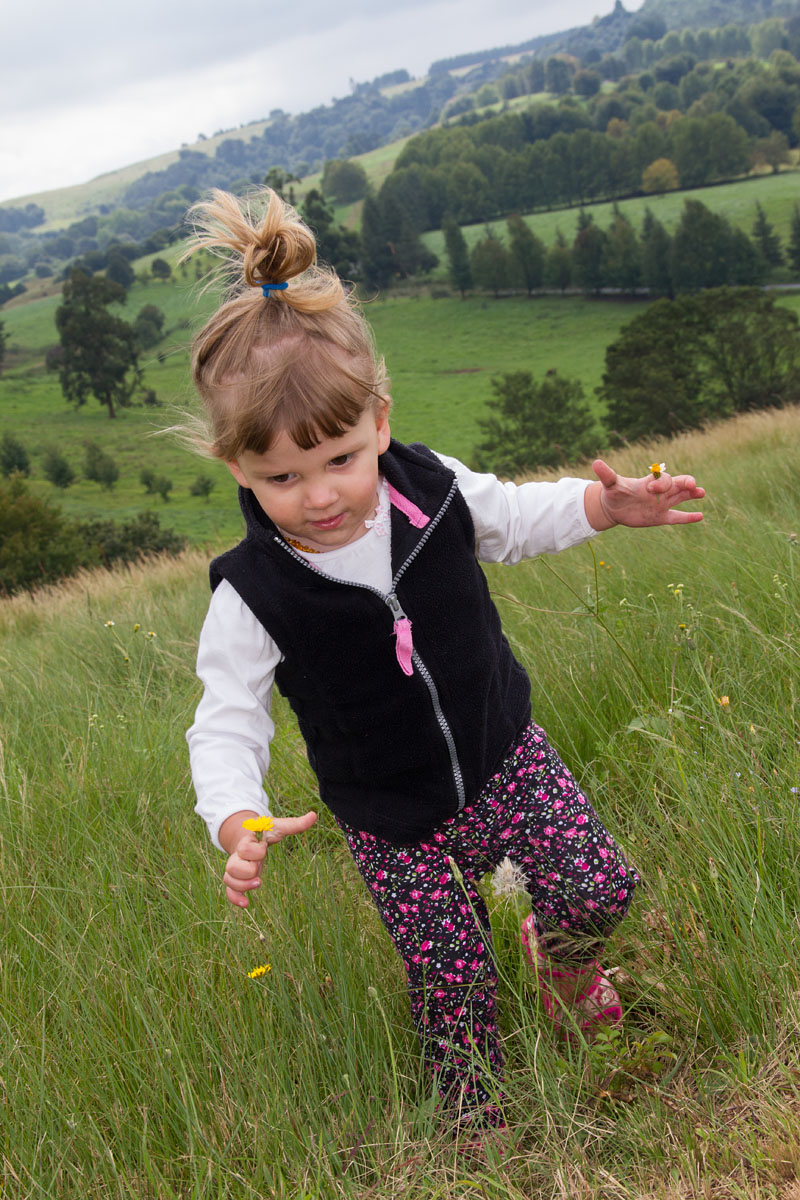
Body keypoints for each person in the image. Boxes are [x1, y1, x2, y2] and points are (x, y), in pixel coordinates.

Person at [184, 187, 705, 1134]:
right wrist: (235, 816)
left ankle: (568, 970)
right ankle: (478, 1125)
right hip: (393, 819)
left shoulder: (433, 489)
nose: (319, 496)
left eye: (339, 458)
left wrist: (605, 508)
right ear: (237, 470)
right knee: (452, 979)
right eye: (280, 479)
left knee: (599, 885)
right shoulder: (251, 593)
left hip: (505, 756)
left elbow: (515, 515)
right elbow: (226, 718)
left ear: (377, 421)